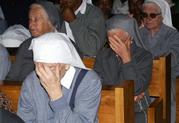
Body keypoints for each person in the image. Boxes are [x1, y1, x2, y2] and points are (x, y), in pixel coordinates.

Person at [17, 32, 102, 123]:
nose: (44, 73)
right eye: (39, 66)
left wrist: (56, 96)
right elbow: (24, 119)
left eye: (51, 67)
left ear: (67, 65)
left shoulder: (89, 81)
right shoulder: (31, 81)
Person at [94, 14, 152, 123]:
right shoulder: (103, 56)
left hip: (136, 109)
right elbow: (97, 84)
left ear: (130, 37)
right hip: (108, 105)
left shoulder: (144, 56)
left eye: (118, 41)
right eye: (111, 41)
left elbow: (136, 88)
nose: (114, 45)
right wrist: (124, 97)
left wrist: (126, 59)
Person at [139, 1, 179, 122]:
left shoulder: (172, 34)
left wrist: (155, 63)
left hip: (166, 74)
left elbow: (174, 56)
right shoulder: (139, 33)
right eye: (144, 15)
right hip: (141, 75)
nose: (147, 19)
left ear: (162, 16)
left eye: (152, 15)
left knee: (167, 92)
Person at [6, 1, 62, 81]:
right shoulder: (26, 45)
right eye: (30, 20)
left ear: (51, 22)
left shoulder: (64, 45)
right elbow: (11, 78)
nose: (30, 25)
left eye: (36, 20)